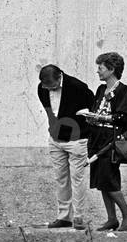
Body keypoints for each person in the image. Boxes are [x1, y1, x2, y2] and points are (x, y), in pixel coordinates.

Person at [84, 52, 127, 232]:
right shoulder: (100, 90)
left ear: (111, 69)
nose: (98, 72)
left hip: (111, 141)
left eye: (101, 68)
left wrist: (103, 118)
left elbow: (124, 117)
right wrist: (91, 118)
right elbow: (96, 110)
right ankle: (112, 219)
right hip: (97, 139)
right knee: (101, 181)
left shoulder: (123, 90)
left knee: (110, 179)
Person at [37, 65, 94, 230]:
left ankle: (78, 217)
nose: (48, 88)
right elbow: (49, 110)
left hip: (77, 139)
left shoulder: (78, 87)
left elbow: (91, 107)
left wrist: (85, 133)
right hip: (55, 139)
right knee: (60, 178)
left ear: (59, 77)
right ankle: (63, 217)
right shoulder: (42, 88)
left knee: (78, 179)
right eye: (45, 86)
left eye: (51, 85)